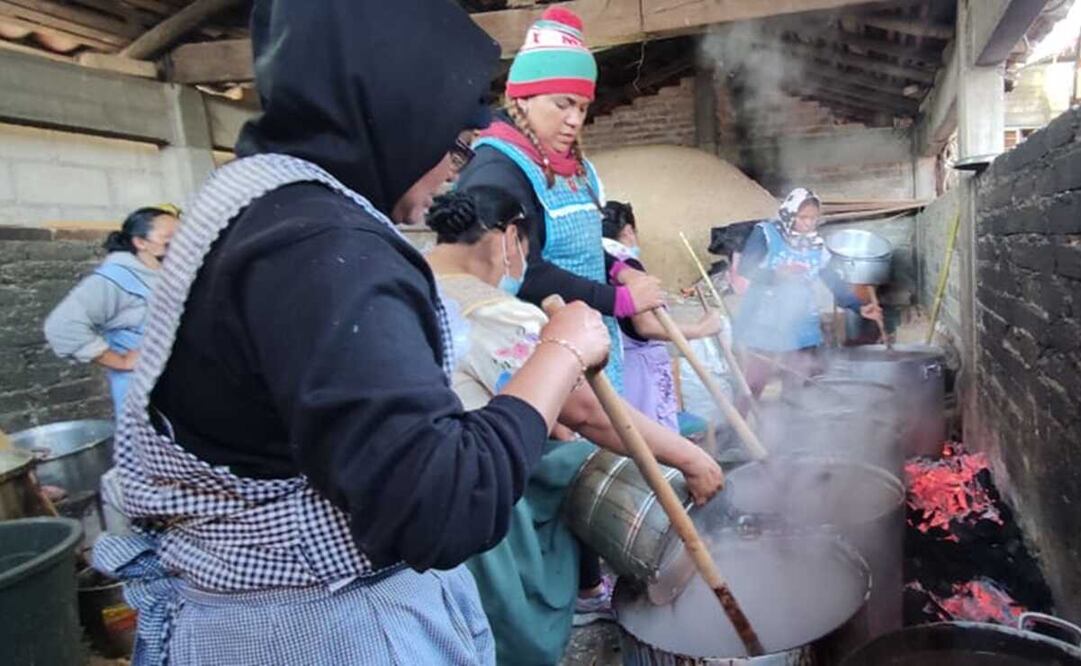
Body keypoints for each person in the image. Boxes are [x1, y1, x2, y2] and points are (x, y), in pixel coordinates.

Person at [92, 2, 614, 664]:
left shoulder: (246, 202)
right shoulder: (324, 246)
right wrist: (560, 350)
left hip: (235, 612)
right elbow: (443, 508)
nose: (456, 167)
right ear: (391, 106)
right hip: (322, 629)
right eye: (450, 138)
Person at [425, 187, 723, 665]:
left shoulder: (408, 283)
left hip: (415, 507)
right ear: (510, 238)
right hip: (480, 501)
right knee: (512, 636)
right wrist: (692, 458)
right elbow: (586, 412)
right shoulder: (500, 312)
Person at [456, 6, 665, 393]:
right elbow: (521, 272)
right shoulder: (497, 172)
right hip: (540, 363)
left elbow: (573, 247)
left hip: (588, 349)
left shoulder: (567, 165)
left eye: (582, 107)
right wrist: (617, 300)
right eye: (562, 104)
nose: (575, 120)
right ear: (523, 98)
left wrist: (620, 270)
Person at [733, 188, 882, 399]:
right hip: (764, 323)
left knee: (797, 385)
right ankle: (736, 430)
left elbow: (833, 280)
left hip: (801, 324)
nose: (808, 223)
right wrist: (777, 274)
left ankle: (791, 427)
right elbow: (746, 269)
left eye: (813, 218)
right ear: (790, 213)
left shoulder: (817, 245)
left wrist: (859, 306)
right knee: (752, 385)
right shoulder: (766, 233)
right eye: (802, 217)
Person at [44, 205, 179, 414]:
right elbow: (62, 325)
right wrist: (121, 361)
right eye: (169, 237)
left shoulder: (169, 275)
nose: (179, 243)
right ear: (141, 242)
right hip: (144, 389)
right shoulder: (116, 278)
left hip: (176, 383)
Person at [601, 201, 723, 432]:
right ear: (628, 230)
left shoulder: (594, 259)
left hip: (613, 366)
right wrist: (700, 329)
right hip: (638, 371)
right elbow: (646, 326)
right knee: (654, 438)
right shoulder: (625, 263)